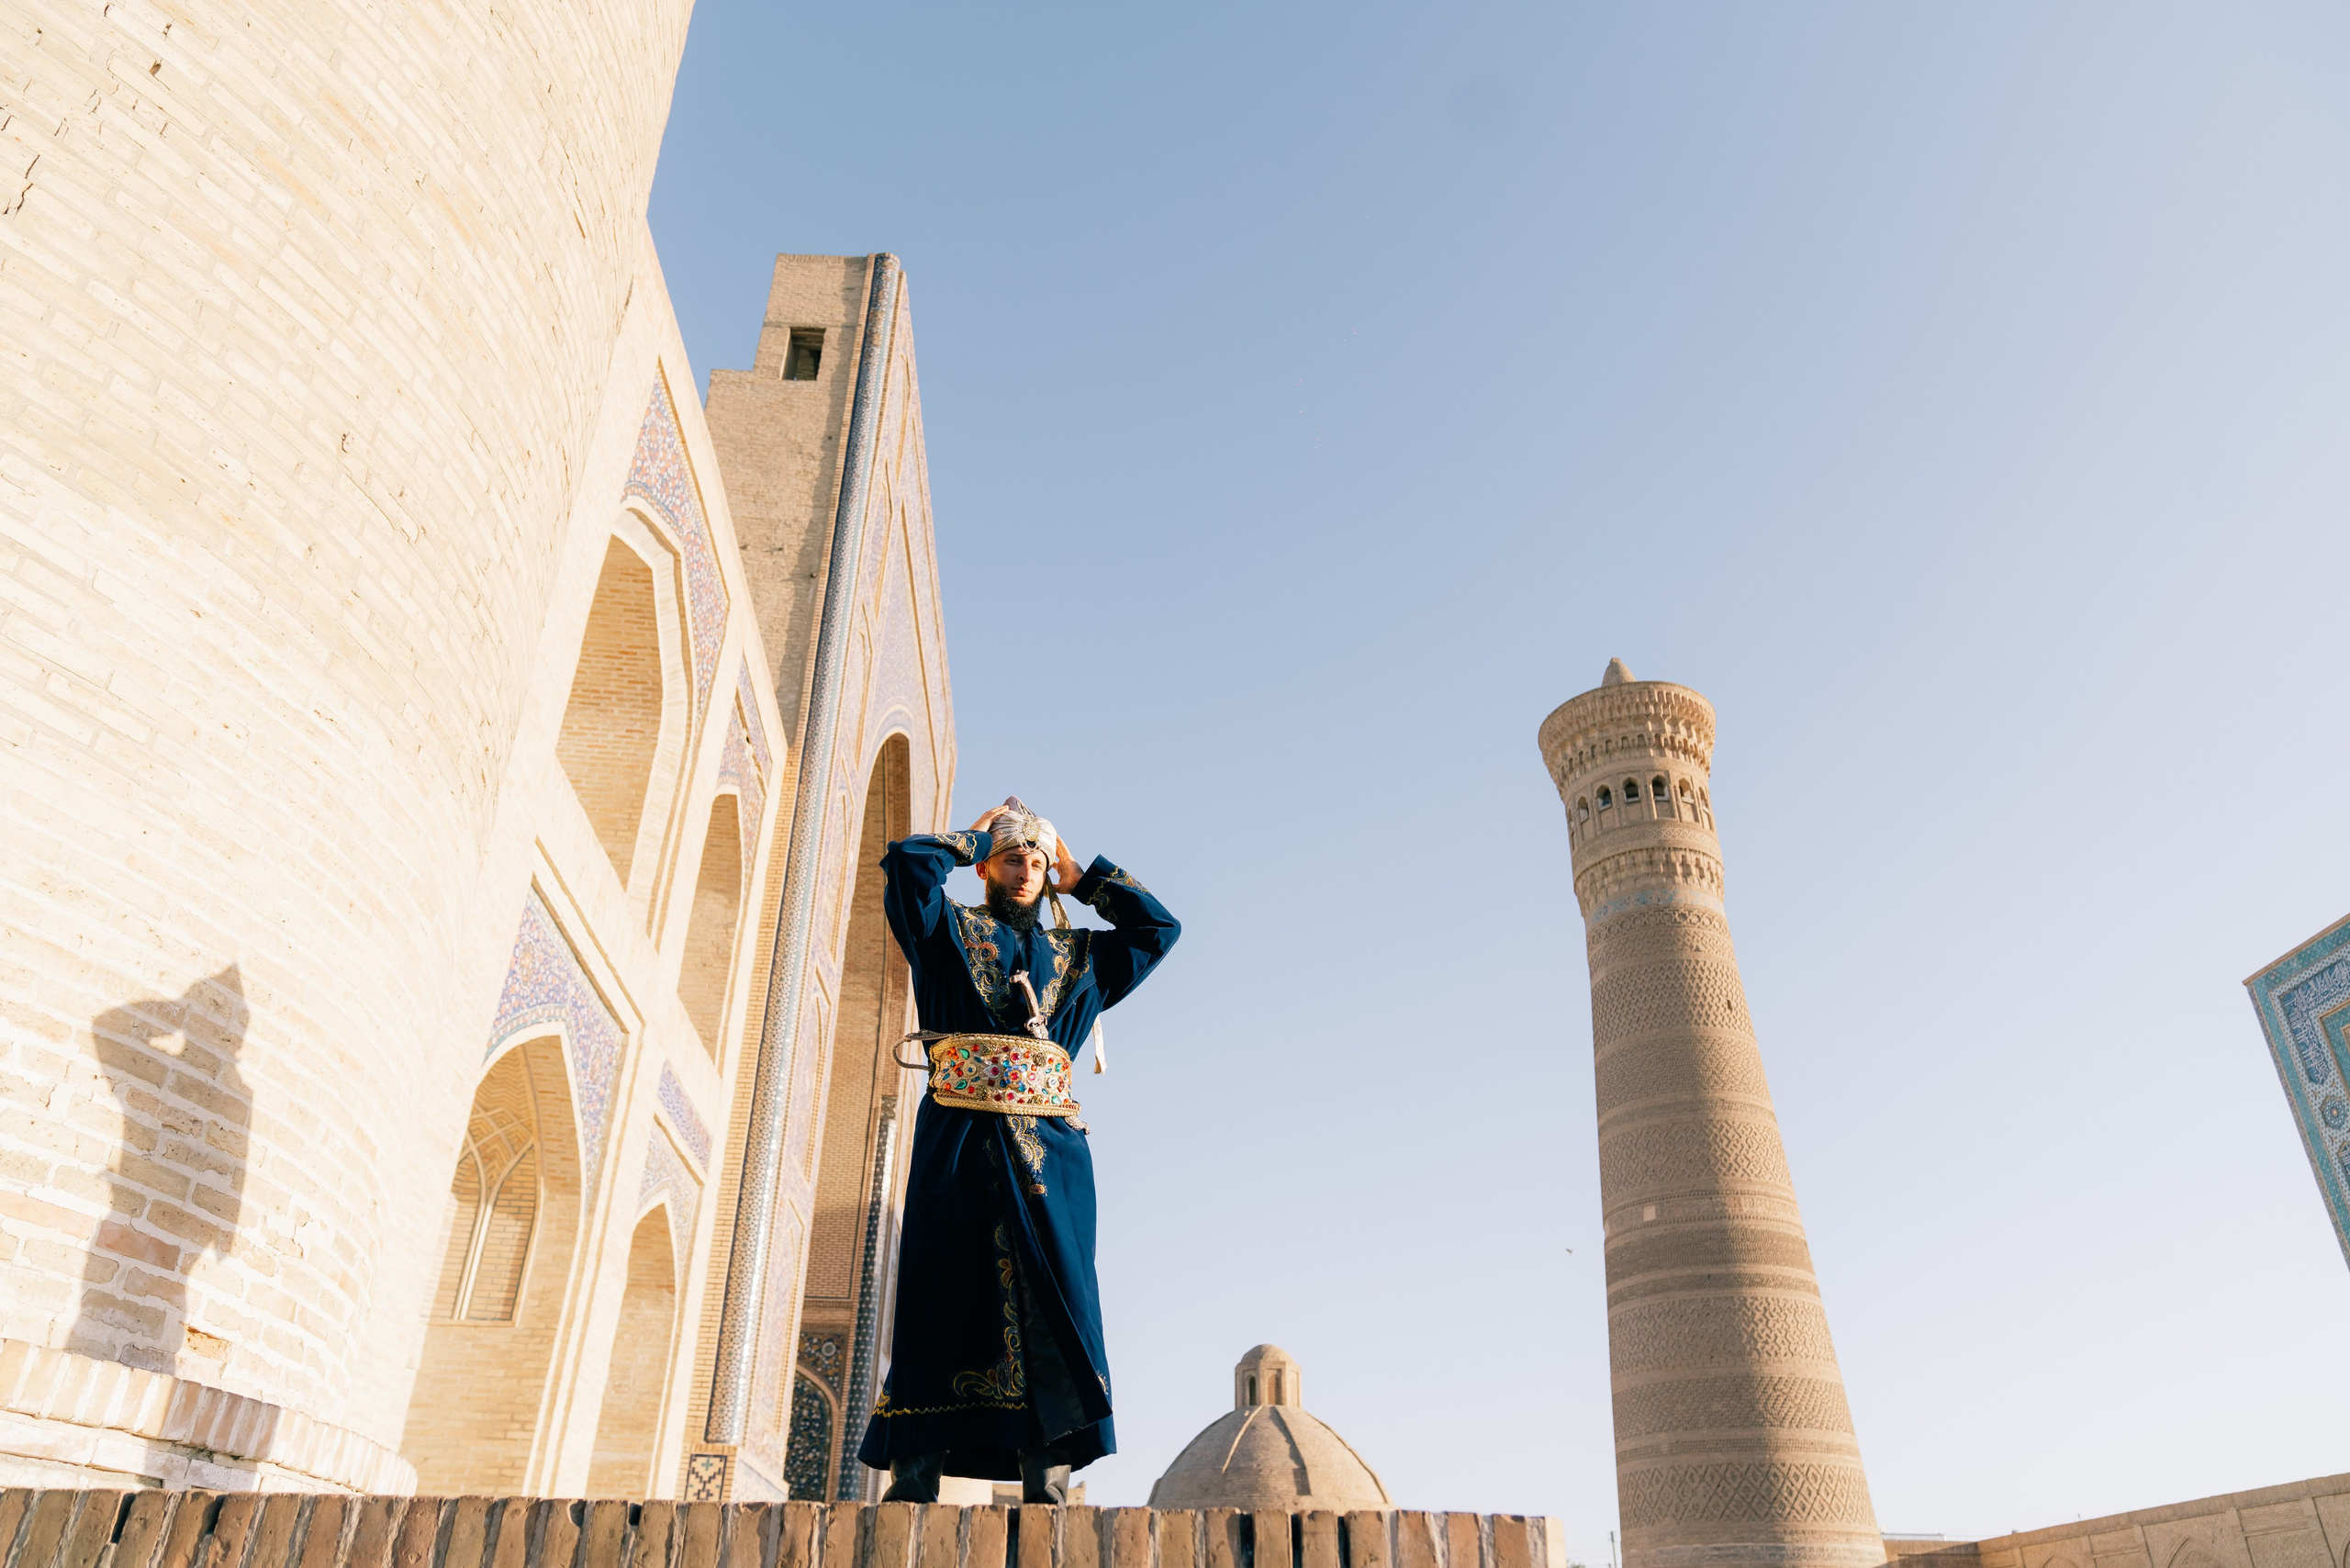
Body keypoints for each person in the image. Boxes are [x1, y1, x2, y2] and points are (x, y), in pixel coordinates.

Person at [856, 797, 1180, 1504]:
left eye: (1036, 862)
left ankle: (1049, 1479)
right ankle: (915, 1478)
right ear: (986, 871)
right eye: (1013, 859)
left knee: (1057, 1300)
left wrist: (1082, 876)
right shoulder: (945, 934)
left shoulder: (1082, 957)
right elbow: (910, 865)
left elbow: (1159, 928)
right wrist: (972, 837)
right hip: (959, 1138)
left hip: (1051, 1156)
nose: (1026, 871)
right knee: (944, 1293)